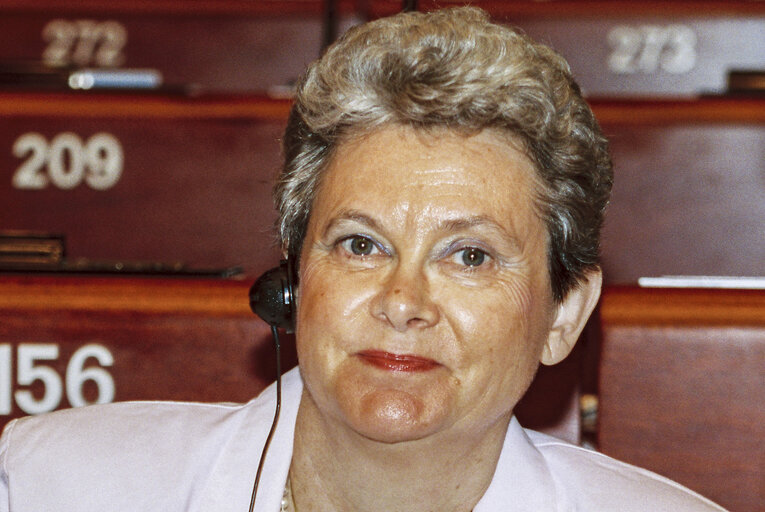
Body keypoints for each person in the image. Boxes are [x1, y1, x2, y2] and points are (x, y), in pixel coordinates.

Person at [0, 7, 726, 512]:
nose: (401, 300)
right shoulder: (52, 484)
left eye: (469, 255)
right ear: (294, 279)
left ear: (562, 314)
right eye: (360, 244)